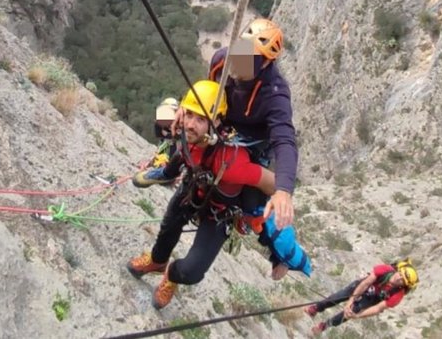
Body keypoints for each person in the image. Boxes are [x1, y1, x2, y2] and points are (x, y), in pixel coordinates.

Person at [133, 18, 299, 278]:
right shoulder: (224, 61)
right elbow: (209, 93)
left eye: (250, 58)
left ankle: (277, 254)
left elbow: (284, 139)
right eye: (241, 50)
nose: (239, 62)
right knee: (191, 144)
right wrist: (189, 111)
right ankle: (168, 172)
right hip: (217, 125)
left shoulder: (274, 95)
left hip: (250, 144)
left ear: (265, 63)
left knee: (255, 201)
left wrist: (284, 190)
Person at [127, 80, 310, 310]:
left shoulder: (233, 162)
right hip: (191, 192)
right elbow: (181, 156)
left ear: (215, 122)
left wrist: (281, 198)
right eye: (189, 115)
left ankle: (172, 275)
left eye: (200, 119)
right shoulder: (187, 136)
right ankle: (156, 261)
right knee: (168, 229)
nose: (191, 125)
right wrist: (164, 173)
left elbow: (271, 184)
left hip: (219, 213)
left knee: (192, 272)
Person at [304, 259, 419, 335]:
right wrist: (350, 300)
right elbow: (365, 283)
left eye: (403, 280)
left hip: (371, 299)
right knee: (338, 297)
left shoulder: (397, 295)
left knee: (350, 313)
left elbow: (378, 308)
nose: (399, 279)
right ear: (399, 270)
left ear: (405, 285)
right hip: (361, 286)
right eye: (400, 274)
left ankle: (324, 325)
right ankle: (316, 308)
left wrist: (357, 316)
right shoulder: (385, 270)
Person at [149, 97, 179, 169]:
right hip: (165, 148)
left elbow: (178, 136)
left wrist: (168, 134)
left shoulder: (179, 123)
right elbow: (159, 134)